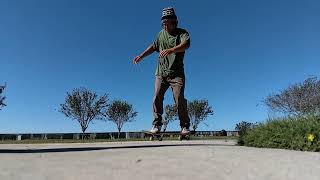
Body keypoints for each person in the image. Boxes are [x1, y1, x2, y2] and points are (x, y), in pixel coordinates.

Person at [133, 7, 191, 135]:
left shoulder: (182, 33)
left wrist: (171, 50)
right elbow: (154, 46)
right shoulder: (160, 34)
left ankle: (185, 126)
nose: (164, 26)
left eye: (167, 23)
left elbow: (186, 45)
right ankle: (156, 125)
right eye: (163, 23)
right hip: (161, 73)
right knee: (157, 97)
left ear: (174, 21)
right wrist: (141, 56)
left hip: (176, 74)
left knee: (179, 98)